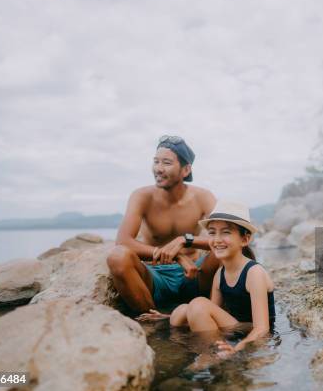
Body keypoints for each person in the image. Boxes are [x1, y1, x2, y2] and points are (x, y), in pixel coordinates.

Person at [107, 135, 219, 318]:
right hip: (154, 275)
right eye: (156, 162)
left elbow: (226, 239)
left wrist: (186, 240)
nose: (158, 169)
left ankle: (216, 309)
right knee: (117, 256)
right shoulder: (142, 196)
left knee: (228, 252)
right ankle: (152, 319)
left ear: (186, 169)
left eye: (166, 163)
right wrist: (178, 257)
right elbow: (123, 241)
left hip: (194, 275)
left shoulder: (203, 196)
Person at [169, 200, 276, 357]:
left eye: (226, 232)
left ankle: (212, 355)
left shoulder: (254, 273)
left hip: (252, 331)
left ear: (245, 239)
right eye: (212, 232)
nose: (217, 240)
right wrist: (164, 318)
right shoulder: (220, 274)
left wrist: (237, 349)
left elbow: (262, 329)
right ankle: (186, 352)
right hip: (234, 327)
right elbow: (208, 313)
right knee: (180, 312)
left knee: (198, 304)